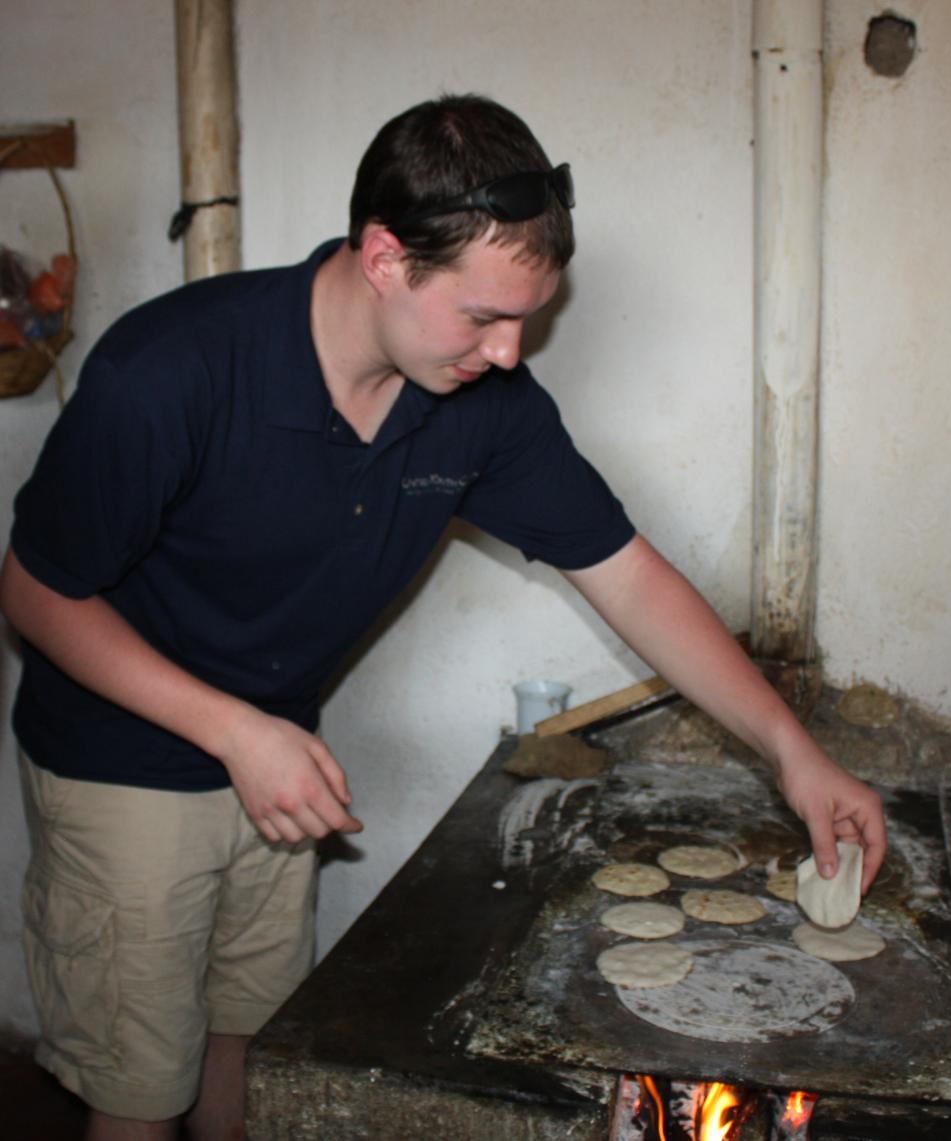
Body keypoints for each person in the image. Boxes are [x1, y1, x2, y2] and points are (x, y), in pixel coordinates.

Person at [0, 94, 886, 1140]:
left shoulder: (479, 402)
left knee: (247, 1039)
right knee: (141, 1089)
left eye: (528, 321)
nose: (508, 352)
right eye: (483, 317)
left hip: (278, 756)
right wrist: (234, 730)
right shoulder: (172, 371)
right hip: (124, 763)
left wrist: (792, 751)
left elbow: (630, 576)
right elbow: (35, 590)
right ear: (385, 257)